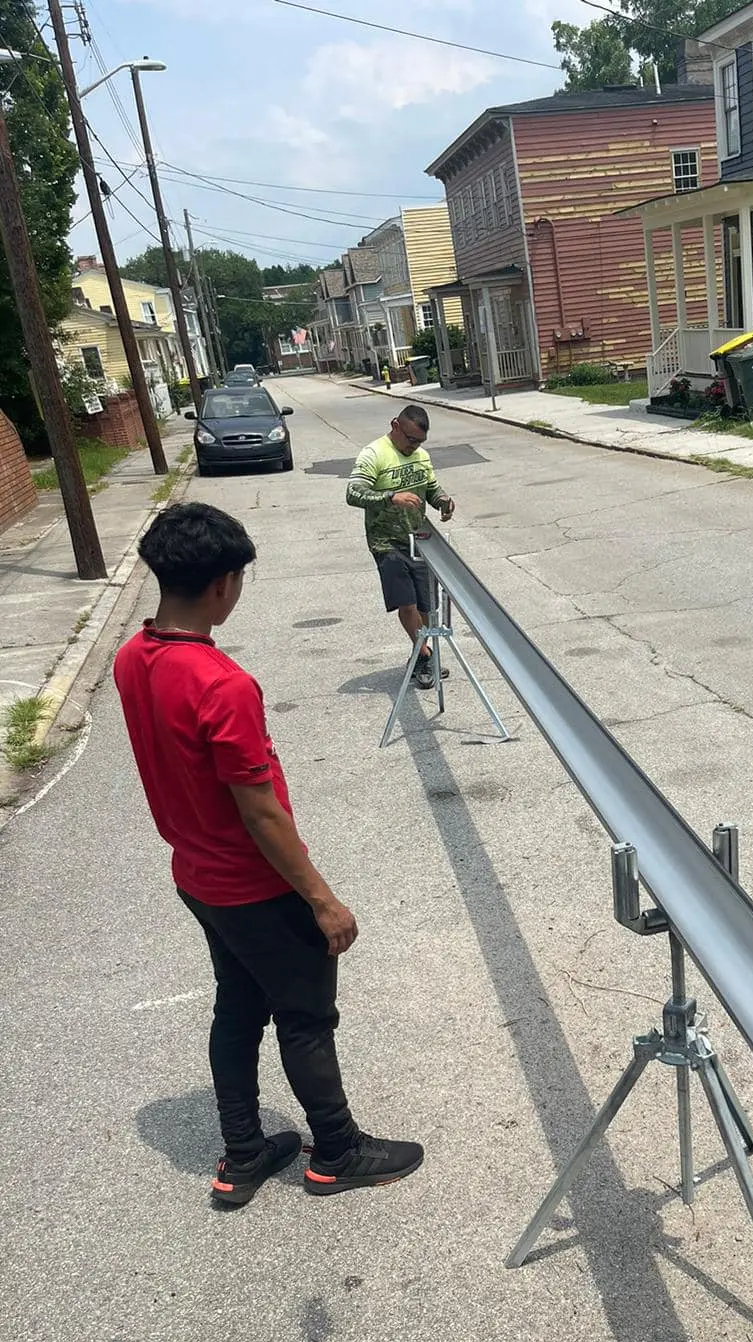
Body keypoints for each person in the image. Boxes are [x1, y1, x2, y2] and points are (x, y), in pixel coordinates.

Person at [113, 502, 424, 1207]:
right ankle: (337, 1152)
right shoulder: (222, 685)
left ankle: (244, 1153)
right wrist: (321, 898)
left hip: (198, 878)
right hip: (255, 887)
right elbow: (260, 811)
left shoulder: (133, 657)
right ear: (225, 583)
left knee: (238, 1006)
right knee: (306, 1017)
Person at [346, 404, 454, 691]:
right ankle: (423, 656)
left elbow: (430, 487)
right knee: (406, 601)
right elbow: (353, 492)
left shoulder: (421, 456)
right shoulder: (374, 454)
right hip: (386, 541)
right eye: (410, 439)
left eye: (420, 441)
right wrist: (391, 496)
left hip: (419, 539)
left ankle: (420, 653)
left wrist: (442, 500)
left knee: (427, 605)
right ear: (395, 425)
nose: (414, 446)